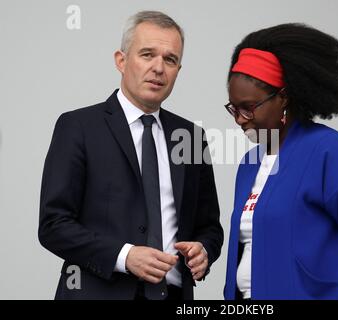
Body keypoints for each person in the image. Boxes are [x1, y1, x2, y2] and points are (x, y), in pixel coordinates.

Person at [39, 11, 223, 300]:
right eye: (147, 54)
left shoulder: (191, 137)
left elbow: (209, 226)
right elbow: (54, 225)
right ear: (121, 61)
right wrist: (125, 256)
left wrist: (204, 250)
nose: (159, 68)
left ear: (178, 70)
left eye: (170, 59)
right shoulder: (78, 126)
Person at [223, 23, 338, 300]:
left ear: (283, 98)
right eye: (233, 108)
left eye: (249, 107)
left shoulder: (333, 153)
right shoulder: (249, 164)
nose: (240, 118)